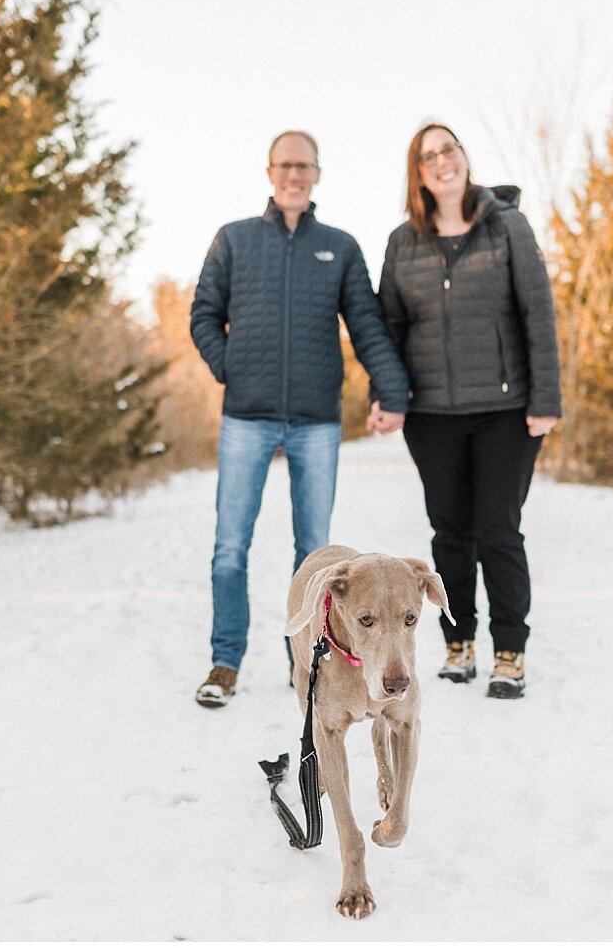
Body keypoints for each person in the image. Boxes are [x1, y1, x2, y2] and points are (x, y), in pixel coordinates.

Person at [189, 130, 410, 709]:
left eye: (304, 166)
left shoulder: (339, 246)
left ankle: (312, 665)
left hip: (316, 420)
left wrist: (390, 389)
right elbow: (204, 315)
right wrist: (229, 366)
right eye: (285, 165)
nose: (294, 175)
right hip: (247, 417)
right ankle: (224, 661)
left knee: (315, 553)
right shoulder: (233, 241)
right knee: (230, 547)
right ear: (269, 172)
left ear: (317, 174)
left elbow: (366, 325)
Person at [372, 123, 562, 699]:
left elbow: (538, 313)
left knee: (497, 529)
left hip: (506, 410)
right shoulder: (403, 242)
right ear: (418, 172)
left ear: (463, 157)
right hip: (433, 416)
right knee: (450, 533)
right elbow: (390, 329)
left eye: (448, 149)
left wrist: (546, 399)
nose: (441, 161)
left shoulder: (507, 226)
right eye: (428, 156)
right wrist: (388, 397)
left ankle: (510, 652)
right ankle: (459, 643)